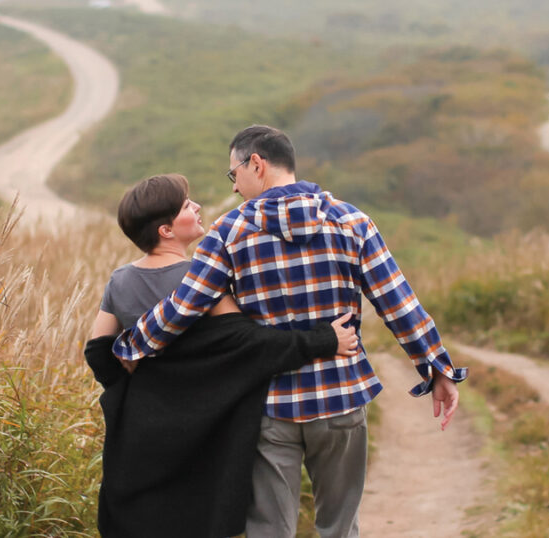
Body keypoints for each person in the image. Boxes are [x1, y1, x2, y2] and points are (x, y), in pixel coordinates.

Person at [113, 126, 467, 538]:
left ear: (256, 164)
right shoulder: (352, 221)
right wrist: (436, 368)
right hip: (341, 398)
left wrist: (132, 346)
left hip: (267, 406)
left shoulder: (228, 232)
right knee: (340, 528)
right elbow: (398, 303)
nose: (234, 187)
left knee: (269, 531)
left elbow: (185, 306)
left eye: (234, 174)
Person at [83, 173, 361, 537]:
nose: (197, 207)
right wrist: (324, 340)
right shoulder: (203, 279)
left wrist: (134, 389)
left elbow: (98, 352)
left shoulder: (119, 280)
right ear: (167, 230)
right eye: (187, 205)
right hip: (203, 435)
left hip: (140, 434)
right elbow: (248, 344)